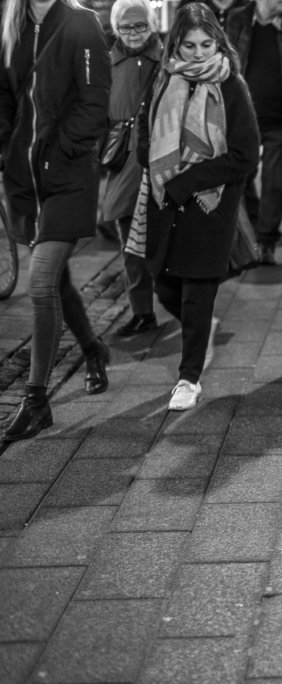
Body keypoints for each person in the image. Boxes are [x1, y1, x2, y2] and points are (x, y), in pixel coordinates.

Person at [131, 1, 260, 410]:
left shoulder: (230, 85)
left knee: (195, 291)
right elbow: (146, 129)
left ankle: (189, 379)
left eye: (206, 44)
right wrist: (150, 161)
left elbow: (245, 155)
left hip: (210, 203)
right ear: (177, 45)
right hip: (164, 197)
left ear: (217, 42)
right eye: (190, 45)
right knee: (162, 282)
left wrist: (187, 181)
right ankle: (199, 329)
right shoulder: (163, 78)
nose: (199, 53)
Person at [0, 0, 112, 441]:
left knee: (42, 279)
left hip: (67, 177)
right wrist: (6, 146)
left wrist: (56, 150)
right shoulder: (11, 25)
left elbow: (94, 103)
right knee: (58, 279)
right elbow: (4, 97)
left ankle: (36, 400)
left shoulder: (82, 23)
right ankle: (93, 348)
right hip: (24, 182)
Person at [226, 0, 282, 266]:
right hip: (243, 119)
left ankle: (266, 242)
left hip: (280, 121)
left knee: (276, 184)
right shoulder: (236, 20)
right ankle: (252, 232)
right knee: (241, 179)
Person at [101, 0, 163, 338]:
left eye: (140, 26)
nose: (133, 33)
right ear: (116, 28)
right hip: (125, 160)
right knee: (129, 241)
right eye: (126, 27)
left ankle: (178, 300)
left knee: (165, 236)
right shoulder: (106, 63)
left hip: (161, 157)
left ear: (151, 25)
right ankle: (142, 310)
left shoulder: (167, 59)